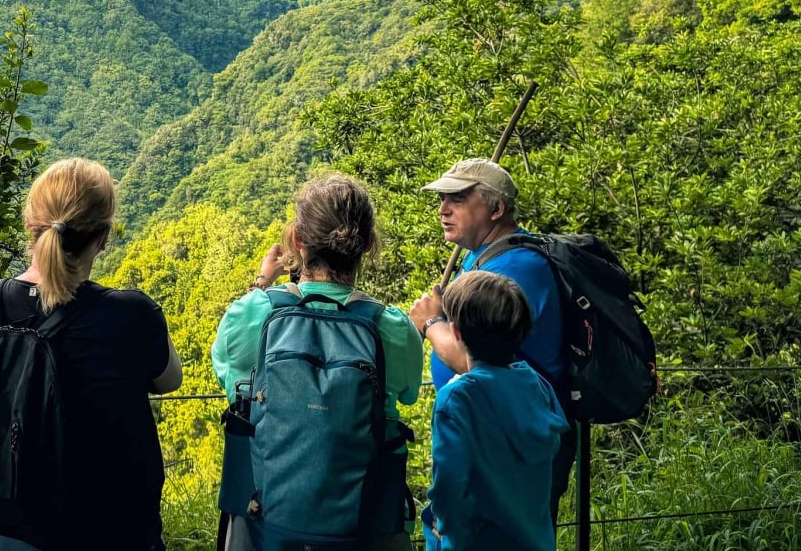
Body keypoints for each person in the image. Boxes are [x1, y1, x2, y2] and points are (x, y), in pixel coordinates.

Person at [0, 157, 183, 551]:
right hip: (114, 526)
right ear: (104, 237)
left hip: (14, 524)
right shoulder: (131, 314)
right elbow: (170, 380)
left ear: (30, 224)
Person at [212, 173, 424, 551]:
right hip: (365, 527)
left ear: (298, 241)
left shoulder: (253, 314)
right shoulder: (391, 327)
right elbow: (407, 394)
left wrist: (262, 282)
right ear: (368, 245)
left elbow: (231, 379)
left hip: (264, 525)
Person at [407, 157, 575, 520]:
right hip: (494, 428)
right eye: (442, 200)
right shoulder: (482, 256)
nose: (443, 210)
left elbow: (474, 357)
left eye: (458, 200)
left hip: (510, 440)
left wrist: (431, 322)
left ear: (496, 208)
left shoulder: (514, 269)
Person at [423, 271, 570, 551]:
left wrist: (445, 529)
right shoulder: (536, 384)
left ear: (455, 333)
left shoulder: (457, 398)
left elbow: (448, 486)